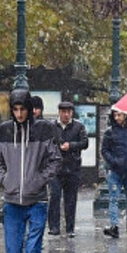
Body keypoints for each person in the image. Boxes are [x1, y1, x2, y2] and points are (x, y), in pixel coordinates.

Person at [0, 89, 62, 253]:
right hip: (12, 201)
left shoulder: (44, 130)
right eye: (15, 109)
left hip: (37, 200)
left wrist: (40, 179)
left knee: (32, 252)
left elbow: (55, 159)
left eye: (23, 109)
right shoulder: (3, 131)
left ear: (29, 109)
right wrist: (5, 179)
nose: (19, 113)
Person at [47, 101, 89, 236]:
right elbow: (46, 143)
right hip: (56, 169)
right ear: (59, 112)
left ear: (72, 113)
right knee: (55, 196)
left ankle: (70, 228)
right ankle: (54, 227)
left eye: (68, 112)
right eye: (63, 112)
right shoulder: (52, 126)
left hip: (72, 167)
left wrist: (70, 145)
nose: (66, 115)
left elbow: (84, 143)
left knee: (70, 199)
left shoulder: (78, 126)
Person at [100, 108, 127, 238]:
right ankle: (114, 226)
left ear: (126, 115)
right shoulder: (110, 132)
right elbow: (104, 150)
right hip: (115, 170)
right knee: (114, 199)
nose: (117, 118)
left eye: (119, 115)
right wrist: (113, 161)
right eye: (115, 115)